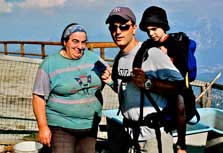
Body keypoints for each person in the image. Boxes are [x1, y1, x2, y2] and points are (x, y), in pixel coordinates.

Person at [102, 6, 185, 153]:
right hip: (130, 136)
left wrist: (148, 83)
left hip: (153, 138)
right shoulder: (119, 59)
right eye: (113, 28)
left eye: (123, 26)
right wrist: (110, 82)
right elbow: (127, 91)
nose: (117, 32)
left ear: (134, 28)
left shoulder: (152, 54)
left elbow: (180, 86)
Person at [32, 23, 111, 153]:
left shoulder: (94, 59)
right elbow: (38, 97)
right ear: (65, 42)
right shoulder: (49, 65)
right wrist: (43, 127)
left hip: (90, 126)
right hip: (61, 126)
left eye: (83, 42)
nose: (80, 47)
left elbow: (109, 78)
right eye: (75, 41)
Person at [139, 6, 188, 153]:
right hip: (154, 84)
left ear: (163, 26)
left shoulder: (175, 45)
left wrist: (165, 59)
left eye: (154, 29)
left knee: (180, 106)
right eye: (148, 31)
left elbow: (182, 70)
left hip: (173, 86)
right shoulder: (148, 45)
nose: (151, 33)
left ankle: (181, 144)